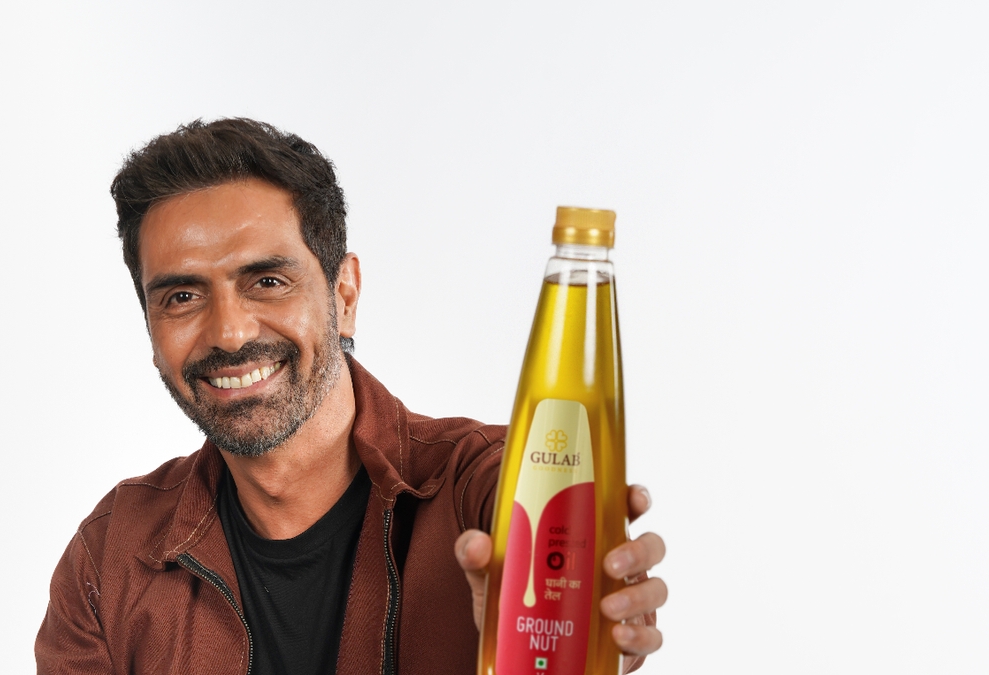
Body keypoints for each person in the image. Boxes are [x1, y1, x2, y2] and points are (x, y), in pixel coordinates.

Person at [35, 118, 667, 675]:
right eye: (181, 296)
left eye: (268, 281)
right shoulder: (111, 557)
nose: (229, 332)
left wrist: (594, 601)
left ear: (344, 295)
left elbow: (548, 531)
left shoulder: (480, 484)